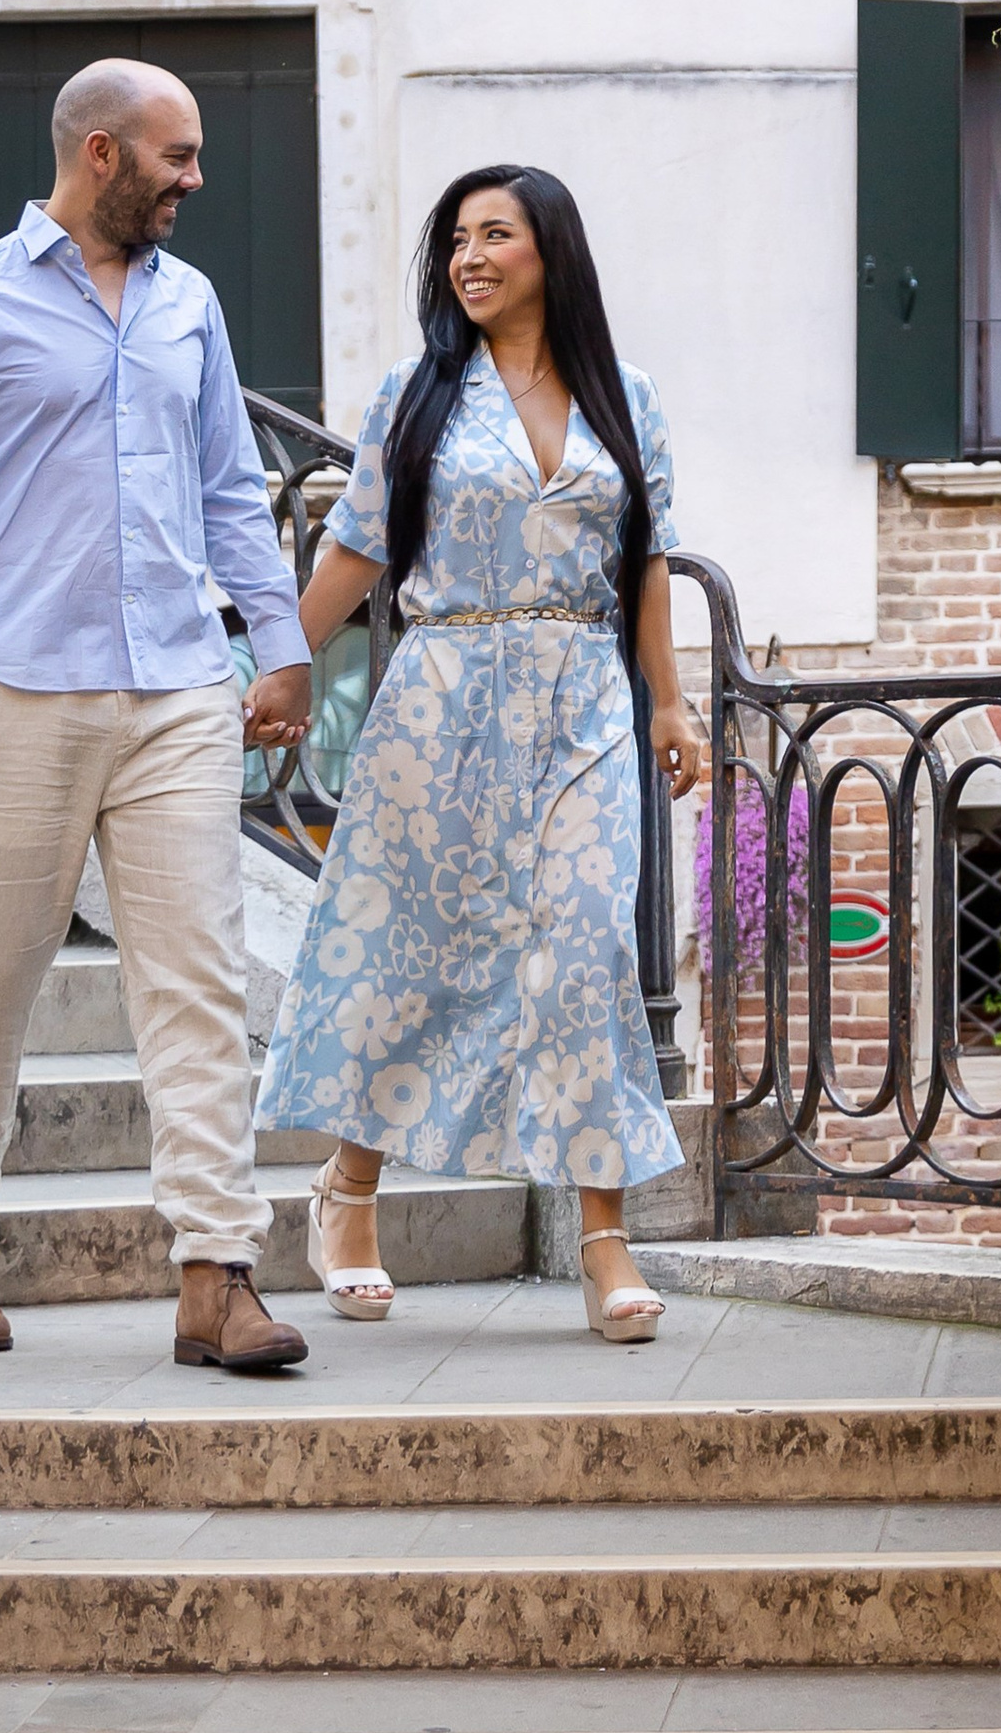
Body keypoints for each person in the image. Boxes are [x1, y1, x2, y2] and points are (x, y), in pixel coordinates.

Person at [0, 59, 312, 1373]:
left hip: (176, 685)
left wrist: (277, 643)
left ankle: (217, 1273)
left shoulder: (193, 308)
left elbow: (234, 484)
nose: (197, 180)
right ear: (103, 154)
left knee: (200, 981)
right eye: (178, 156)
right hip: (16, 688)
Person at [252, 164, 708, 1344]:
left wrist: (669, 702)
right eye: (456, 239)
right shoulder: (418, 394)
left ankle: (604, 1238)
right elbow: (355, 549)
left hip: (579, 703)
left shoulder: (627, 397)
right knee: (409, 947)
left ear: (549, 250)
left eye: (494, 234)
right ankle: (346, 1198)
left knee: (588, 949)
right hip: (441, 696)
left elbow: (647, 556)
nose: (469, 256)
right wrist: (281, 660)